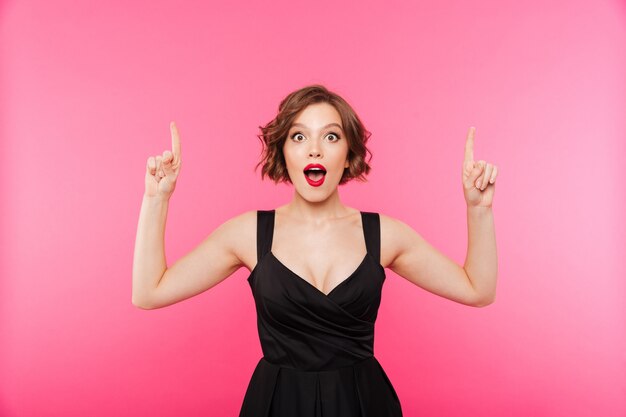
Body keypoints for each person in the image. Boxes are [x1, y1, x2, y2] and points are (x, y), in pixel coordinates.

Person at [132, 84, 499, 417]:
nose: (314, 149)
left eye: (331, 136)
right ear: (283, 150)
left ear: (349, 151)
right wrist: (156, 199)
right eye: (299, 136)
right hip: (276, 404)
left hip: (364, 404)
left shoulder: (383, 234)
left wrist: (478, 210)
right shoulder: (248, 233)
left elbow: (477, 289)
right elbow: (149, 292)